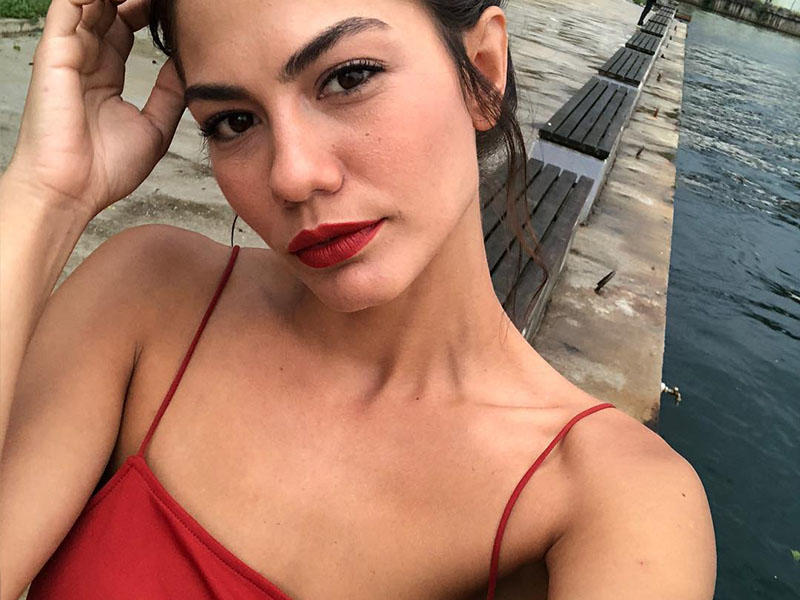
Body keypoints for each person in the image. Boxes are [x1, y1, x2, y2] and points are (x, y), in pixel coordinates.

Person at [0, 0, 716, 598]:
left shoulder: (609, 501)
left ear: (482, 74)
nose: (292, 175)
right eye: (234, 122)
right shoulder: (146, 296)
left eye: (348, 77)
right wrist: (46, 195)